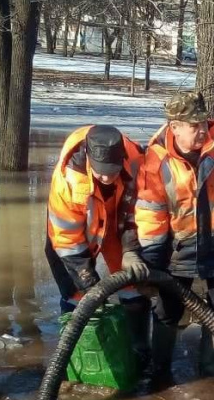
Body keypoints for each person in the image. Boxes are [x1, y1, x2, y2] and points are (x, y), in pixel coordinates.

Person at [131, 91, 214, 379]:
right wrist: (152, 268)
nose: (203, 130)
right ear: (174, 126)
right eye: (194, 125)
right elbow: (151, 217)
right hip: (177, 251)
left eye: (204, 123)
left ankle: (208, 370)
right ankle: (160, 371)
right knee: (167, 310)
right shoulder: (155, 160)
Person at [45, 124, 150, 363]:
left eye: (112, 171)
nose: (106, 176)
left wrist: (131, 250)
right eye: (101, 171)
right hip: (76, 233)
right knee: (78, 293)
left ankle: (140, 352)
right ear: (90, 159)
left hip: (119, 221)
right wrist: (89, 283)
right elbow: (66, 240)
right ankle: (75, 357)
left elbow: (141, 212)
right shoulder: (67, 183)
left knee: (133, 283)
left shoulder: (137, 163)